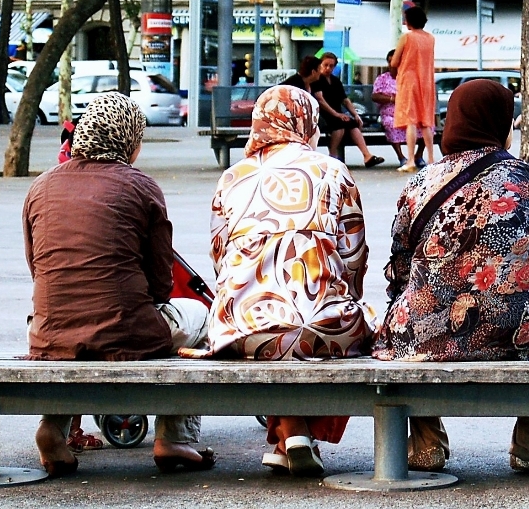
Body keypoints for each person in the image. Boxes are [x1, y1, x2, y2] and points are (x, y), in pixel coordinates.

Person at [374, 79, 529, 473]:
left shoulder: (420, 183)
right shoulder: (528, 179)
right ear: (499, 122)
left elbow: (399, 271)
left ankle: (425, 442)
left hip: (427, 332)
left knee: (409, 323)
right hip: (517, 333)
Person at [179, 85, 377, 477]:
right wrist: (341, 296)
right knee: (345, 324)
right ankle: (296, 432)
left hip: (241, 329)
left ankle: (286, 435)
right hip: (321, 326)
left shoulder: (232, 177)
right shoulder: (333, 170)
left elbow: (221, 258)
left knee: (273, 334)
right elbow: (353, 258)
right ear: (306, 122)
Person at [23, 93, 215, 478]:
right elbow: (163, 287)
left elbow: (37, 268)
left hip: (48, 333)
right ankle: (174, 436)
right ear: (129, 140)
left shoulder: (40, 188)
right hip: (127, 333)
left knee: (74, 333)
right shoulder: (141, 187)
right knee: (202, 317)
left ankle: (53, 430)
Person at [311, 52, 385, 168]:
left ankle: (367, 155)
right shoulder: (316, 80)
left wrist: (355, 115)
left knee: (352, 124)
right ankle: (333, 154)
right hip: (323, 114)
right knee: (339, 125)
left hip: (337, 113)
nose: (328, 68)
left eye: (331, 66)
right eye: (325, 65)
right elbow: (320, 100)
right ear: (320, 64)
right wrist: (336, 114)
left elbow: (345, 100)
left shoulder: (335, 81)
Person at [392, 5, 437, 173]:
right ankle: (431, 159)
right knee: (426, 120)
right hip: (426, 80)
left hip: (409, 80)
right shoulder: (431, 38)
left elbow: (394, 61)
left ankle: (410, 160)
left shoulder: (407, 37)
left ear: (409, 21)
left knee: (411, 120)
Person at [372, 49, 425, 168]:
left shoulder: (410, 77)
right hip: (391, 114)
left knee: (426, 124)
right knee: (390, 123)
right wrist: (392, 99)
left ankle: (418, 155)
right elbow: (375, 96)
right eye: (391, 61)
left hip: (410, 113)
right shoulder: (382, 79)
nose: (394, 65)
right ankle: (401, 157)